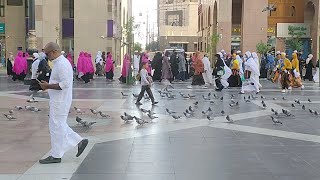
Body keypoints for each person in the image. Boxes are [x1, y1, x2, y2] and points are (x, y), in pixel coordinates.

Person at [38, 42, 88, 164]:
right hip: (58, 100)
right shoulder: (59, 63)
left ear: (54, 51)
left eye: (47, 53)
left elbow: (65, 84)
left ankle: (61, 152)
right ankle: (60, 152)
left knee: (57, 126)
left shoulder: (62, 64)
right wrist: (47, 84)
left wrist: (48, 85)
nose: (47, 56)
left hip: (60, 101)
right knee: (56, 126)